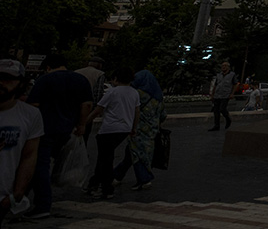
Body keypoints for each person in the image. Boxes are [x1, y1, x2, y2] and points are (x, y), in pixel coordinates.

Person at [26, 53, 92, 218]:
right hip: (67, 130)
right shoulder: (80, 80)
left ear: (48, 67)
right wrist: (82, 124)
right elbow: (87, 104)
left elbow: (33, 104)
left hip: (44, 129)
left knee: (39, 166)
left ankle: (42, 205)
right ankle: (22, 195)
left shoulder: (45, 80)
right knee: (53, 163)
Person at [83, 67, 139, 200]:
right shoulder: (134, 93)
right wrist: (133, 128)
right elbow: (137, 112)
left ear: (115, 78)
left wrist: (83, 123)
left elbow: (98, 110)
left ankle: (106, 188)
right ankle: (94, 183)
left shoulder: (112, 92)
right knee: (105, 158)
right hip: (124, 129)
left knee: (105, 160)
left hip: (109, 129)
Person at [0, 59, 42, 227]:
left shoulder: (30, 115)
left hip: (2, 195)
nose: (1, 83)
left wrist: (17, 193)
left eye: (8, 79)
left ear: (20, 84)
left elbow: (29, 155)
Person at [113, 70, 164, 191]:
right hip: (151, 132)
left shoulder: (136, 94)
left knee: (136, 154)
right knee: (134, 154)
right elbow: (163, 115)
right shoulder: (158, 96)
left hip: (136, 129)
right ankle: (116, 176)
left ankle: (144, 179)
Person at [208, 61, 235, 131]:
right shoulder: (219, 75)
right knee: (216, 111)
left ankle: (228, 119)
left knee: (222, 109)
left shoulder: (232, 75)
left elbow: (236, 84)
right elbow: (216, 85)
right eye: (222, 66)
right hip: (217, 94)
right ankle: (216, 125)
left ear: (228, 67)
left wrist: (232, 93)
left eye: (225, 66)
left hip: (225, 95)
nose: (223, 67)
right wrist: (212, 94)